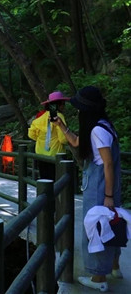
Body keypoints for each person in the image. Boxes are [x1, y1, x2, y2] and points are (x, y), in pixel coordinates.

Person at [53, 86, 122, 292]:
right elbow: (75, 141)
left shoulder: (97, 130)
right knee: (110, 225)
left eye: (80, 108)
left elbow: (108, 164)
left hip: (100, 186)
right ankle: (115, 267)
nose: (78, 111)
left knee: (95, 228)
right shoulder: (103, 126)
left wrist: (108, 196)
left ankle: (98, 276)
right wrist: (62, 126)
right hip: (105, 184)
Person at [28, 91, 70, 181]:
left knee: (44, 181)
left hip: (41, 155)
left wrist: (41, 139)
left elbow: (31, 134)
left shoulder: (40, 117)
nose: (64, 106)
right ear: (58, 105)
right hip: (55, 155)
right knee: (56, 183)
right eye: (63, 104)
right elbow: (63, 139)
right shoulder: (59, 116)